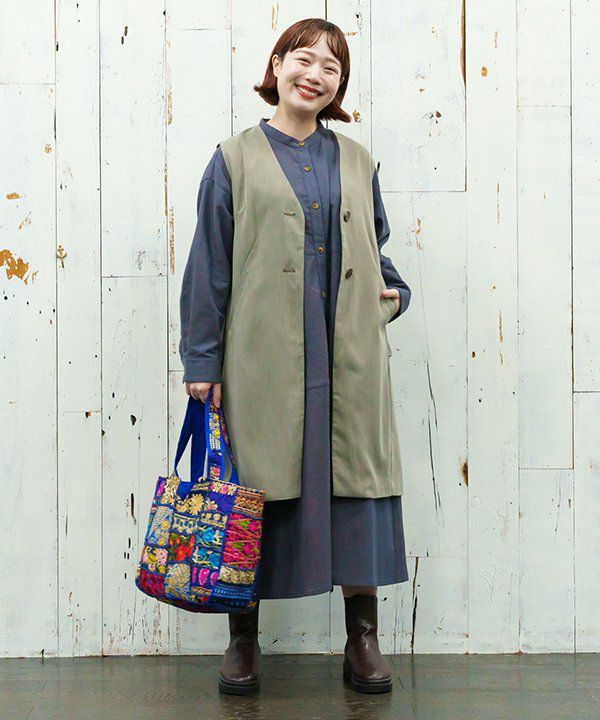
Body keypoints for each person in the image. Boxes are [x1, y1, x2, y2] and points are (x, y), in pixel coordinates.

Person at [178, 18, 411, 696]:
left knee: (356, 485)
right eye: (304, 59)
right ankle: (243, 639)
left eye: (331, 68)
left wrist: (393, 295)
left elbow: (376, 251)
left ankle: (362, 638)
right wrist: (201, 362)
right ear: (277, 64)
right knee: (252, 492)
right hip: (263, 359)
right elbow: (209, 265)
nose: (315, 75)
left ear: (340, 84)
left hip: (349, 359)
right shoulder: (233, 159)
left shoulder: (358, 161)